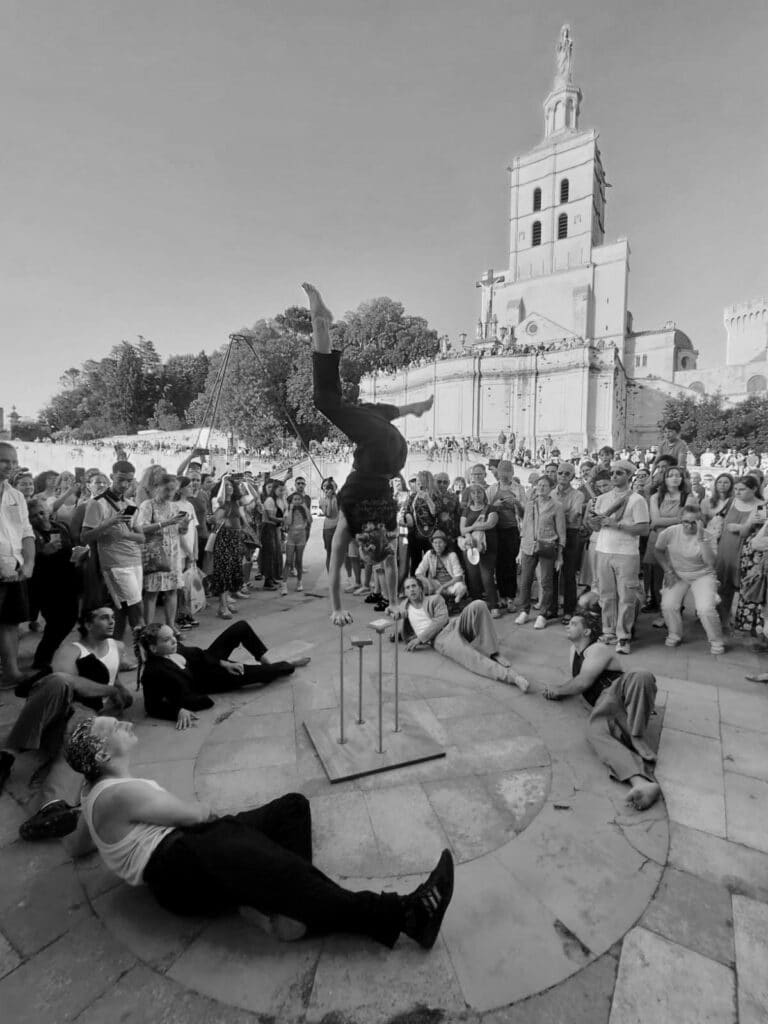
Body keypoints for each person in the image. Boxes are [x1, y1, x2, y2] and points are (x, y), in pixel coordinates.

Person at [65, 716, 454, 949]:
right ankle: (406, 915)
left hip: (189, 849)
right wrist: (220, 822)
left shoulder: (90, 791)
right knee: (268, 861)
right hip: (177, 864)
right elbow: (195, 814)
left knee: (292, 808)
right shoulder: (120, 794)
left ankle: (290, 910)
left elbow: (80, 843)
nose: (126, 723)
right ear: (101, 755)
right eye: (115, 727)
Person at [303, 282, 432, 624]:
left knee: (343, 404)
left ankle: (321, 326)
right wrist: (336, 608)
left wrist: (393, 602)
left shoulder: (387, 524)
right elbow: (335, 567)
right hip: (381, 448)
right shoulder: (350, 524)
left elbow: (388, 564)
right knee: (326, 401)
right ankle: (320, 323)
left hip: (391, 455)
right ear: (364, 540)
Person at [0, 606, 133, 839]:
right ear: (88, 625)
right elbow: (66, 681)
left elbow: (113, 677)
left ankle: (52, 807)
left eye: (113, 617)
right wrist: (110, 689)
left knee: (80, 741)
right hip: (55, 707)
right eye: (104, 618)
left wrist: (121, 693)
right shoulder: (71, 649)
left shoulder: (117, 647)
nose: (112, 622)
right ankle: (6, 755)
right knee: (59, 681)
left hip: (85, 712)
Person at [543, 614, 660, 810]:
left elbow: (582, 682)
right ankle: (641, 783)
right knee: (594, 732)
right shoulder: (573, 651)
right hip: (603, 707)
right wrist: (563, 692)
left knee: (642, 675)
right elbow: (579, 685)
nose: (567, 626)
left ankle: (636, 734)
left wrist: (558, 690)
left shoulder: (597, 648)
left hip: (619, 691)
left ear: (587, 631)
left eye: (573, 623)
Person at [137, 622, 307, 727]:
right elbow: (152, 707)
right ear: (153, 648)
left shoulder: (175, 647)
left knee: (241, 627)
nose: (174, 640)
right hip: (210, 680)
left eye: (173, 636)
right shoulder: (153, 672)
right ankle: (285, 666)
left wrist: (223, 663)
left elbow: (198, 654)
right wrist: (178, 711)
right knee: (259, 674)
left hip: (209, 662)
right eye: (167, 640)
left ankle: (266, 659)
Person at [396, 577, 529, 691]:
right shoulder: (404, 606)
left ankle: (492, 652)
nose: (411, 589)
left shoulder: (434, 599)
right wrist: (399, 633)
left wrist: (420, 639)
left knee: (478, 604)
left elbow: (442, 619)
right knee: (471, 657)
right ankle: (512, 677)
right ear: (405, 592)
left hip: (453, 624)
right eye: (407, 588)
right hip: (441, 639)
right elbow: (398, 618)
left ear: (420, 588)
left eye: (414, 586)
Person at [588, 461, 649, 655]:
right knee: (606, 595)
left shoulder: (637, 500)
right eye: (612, 473)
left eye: (619, 473)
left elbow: (643, 528)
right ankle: (608, 631)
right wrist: (593, 521)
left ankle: (624, 636)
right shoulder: (602, 498)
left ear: (629, 476)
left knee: (627, 597)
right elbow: (596, 527)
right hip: (603, 550)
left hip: (627, 554)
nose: (613, 476)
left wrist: (616, 525)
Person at [82, 460, 146, 644]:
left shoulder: (130, 503)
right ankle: (144, 649)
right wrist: (111, 522)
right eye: (120, 480)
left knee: (124, 609)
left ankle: (116, 651)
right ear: (111, 477)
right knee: (136, 608)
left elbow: (141, 538)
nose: (124, 485)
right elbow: (85, 537)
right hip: (114, 563)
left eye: (129, 481)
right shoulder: (97, 504)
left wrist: (127, 534)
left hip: (134, 560)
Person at [655, 505, 725, 655]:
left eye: (694, 522)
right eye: (686, 521)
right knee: (668, 605)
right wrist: (667, 570)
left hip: (703, 574)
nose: (689, 525)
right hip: (677, 573)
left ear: (701, 522)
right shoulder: (671, 532)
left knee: (705, 609)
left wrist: (701, 538)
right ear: (681, 520)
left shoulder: (708, 536)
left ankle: (716, 640)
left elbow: (710, 562)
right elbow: (658, 551)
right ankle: (674, 634)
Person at [26, 498, 80, 671]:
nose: (40, 517)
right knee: (57, 622)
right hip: (45, 584)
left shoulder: (61, 526)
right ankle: (42, 658)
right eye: (34, 515)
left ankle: (48, 653)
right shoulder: (30, 533)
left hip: (67, 579)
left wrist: (78, 555)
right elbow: (28, 560)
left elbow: (70, 547)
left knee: (69, 619)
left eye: (42, 512)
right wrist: (43, 553)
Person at [0, 442, 35, 687]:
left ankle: (11, 673)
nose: (10, 466)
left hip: (15, 569)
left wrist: (29, 562)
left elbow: (26, 532)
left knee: (11, 622)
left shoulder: (16, 495)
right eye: (4, 461)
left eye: (13, 461)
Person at [515, 475, 565, 629]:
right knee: (525, 581)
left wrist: (560, 556)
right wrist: (519, 551)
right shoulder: (530, 504)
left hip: (547, 546)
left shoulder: (556, 506)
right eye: (539, 485)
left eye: (545, 485)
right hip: (528, 546)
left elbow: (562, 533)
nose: (541, 488)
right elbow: (524, 529)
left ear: (551, 488)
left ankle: (543, 613)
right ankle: (524, 610)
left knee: (546, 582)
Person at [136, 473, 186, 628]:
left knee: (172, 590)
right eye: (167, 489)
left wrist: (184, 527)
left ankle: (171, 626)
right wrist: (165, 523)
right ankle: (148, 629)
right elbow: (141, 528)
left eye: (173, 490)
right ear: (157, 487)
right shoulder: (147, 505)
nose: (170, 494)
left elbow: (178, 530)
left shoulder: (175, 506)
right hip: (156, 553)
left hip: (173, 553)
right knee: (152, 592)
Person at [715, 475, 763, 630]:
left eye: (742, 489)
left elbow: (745, 531)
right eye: (735, 489)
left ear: (754, 489)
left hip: (747, 552)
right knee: (723, 587)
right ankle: (723, 620)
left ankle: (744, 623)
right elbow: (720, 521)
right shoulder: (732, 501)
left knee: (744, 588)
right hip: (726, 549)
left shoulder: (762, 506)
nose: (737, 492)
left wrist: (739, 527)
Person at [644, 464, 689, 619]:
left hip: (679, 540)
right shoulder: (655, 497)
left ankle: (674, 611)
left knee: (675, 577)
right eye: (671, 475)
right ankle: (663, 610)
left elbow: (686, 520)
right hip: (657, 540)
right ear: (665, 479)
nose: (675, 478)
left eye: (678, 475)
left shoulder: (688, 497)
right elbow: (655, 520)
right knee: (657, 576)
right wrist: (676, 520)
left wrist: (664, 522)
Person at [459, 484, 502, 617]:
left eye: (479, 492)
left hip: (487, 548)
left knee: (487, 576)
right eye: (473, 493)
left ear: (484, 494)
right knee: (473, 577)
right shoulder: (466, 510)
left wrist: (471, 527)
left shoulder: (491, 508)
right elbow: (462, 530)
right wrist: (473, 529)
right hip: (471, 547)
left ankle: (493, 605)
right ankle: (477, 604)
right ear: (470, 495)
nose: (476, 495)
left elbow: (491, 524)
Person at [486, 461, 524, 609]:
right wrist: (495, 506)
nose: (505, 474)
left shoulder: (519, 489)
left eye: (508, 471)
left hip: (512, 529)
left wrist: (517, 504)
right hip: (495, 529)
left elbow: (524, 513)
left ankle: (511, 596)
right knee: (498, 563)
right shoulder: (491, 489)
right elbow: (486, 509)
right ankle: (502, 595)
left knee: (510, 563)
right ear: (498, 473)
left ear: (513, 472)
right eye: (502, 471)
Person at [209, 476, 247, 616]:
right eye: (226, 486)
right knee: (223, 573)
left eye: (231, 485)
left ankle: (226, 604)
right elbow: (214, 519)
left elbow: (248, 500)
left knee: (231, 572)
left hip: (235, 539)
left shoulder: (234, 502)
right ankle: (222, 606)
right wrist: (223, 520)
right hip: (225, 539)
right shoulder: (220, 503)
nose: (229, 488)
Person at [552, 462, 586, 623]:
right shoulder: (550, 493)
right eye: (560, 473)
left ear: (572, 476)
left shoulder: (578, 495)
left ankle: (568, 609)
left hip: (571, 535)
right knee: (550, 573)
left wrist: (555, 517)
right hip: (552, 535)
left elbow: (573, 518)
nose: (563, 476)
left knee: (569, 573)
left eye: (567, 473)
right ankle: (551, 608)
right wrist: (561, 515)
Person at [415, 530, 467, 603]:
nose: (437, 545)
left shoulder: (452, 555)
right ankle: (425, 604)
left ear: (445, 543)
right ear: (432, 544)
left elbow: (459, 577)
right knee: (419, 583)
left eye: (440, 542)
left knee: (461, 587)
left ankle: (455, 600)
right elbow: (418, 573)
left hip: (450, 584)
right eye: (435, 542)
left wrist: (443, 587)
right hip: (436, 584)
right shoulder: (429, 554)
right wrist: (429, 583)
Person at [282, 491, 312, 593]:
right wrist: (290, 509)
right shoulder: (288, 510)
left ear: (302, 500)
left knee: (299, 561)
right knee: (288, 561)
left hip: (301, 537)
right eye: (295, 499)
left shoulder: (304, 510)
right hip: (291, 538)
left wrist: (305, 508)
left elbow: (310, 520)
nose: (297, 501)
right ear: (291, 501)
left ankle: (299, 582)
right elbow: (289, 522)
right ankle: (284, 585)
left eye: (299, 499)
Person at [319, 478, 339, 572]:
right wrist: (330, 499)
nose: (327, 488)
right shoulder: (322, 500)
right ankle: (331, 577)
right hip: (329, 529)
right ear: (322, 488)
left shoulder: (339, 498)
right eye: (325, 486)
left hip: (340, 528)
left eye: (330, 485)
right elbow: (328, 514)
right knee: (330, 554)